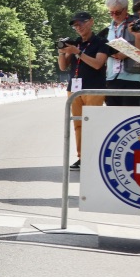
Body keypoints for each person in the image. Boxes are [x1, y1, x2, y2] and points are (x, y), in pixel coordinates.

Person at [57, 10, 109, 170]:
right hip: (74, 89)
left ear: (91, 22)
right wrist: (61, 52)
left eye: (80, 23)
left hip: (94, 88)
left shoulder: (101, 42)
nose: (78, 27)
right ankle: (82, 157)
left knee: (92, 124)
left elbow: (97, 64)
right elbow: (63, 66)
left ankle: (95, 156)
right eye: (75, 25)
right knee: (78, 125)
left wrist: (78, 53)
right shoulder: (75, 43)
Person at [102, 0, 140, 106]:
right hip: (111, 77)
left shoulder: (136, 23)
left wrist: (126, 53)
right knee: (114, 117)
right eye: (111, 13)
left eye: (118, 12)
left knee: (129, 115)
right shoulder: (107, 29)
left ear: (126, 9)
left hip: (132, 77)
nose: (114, 16)